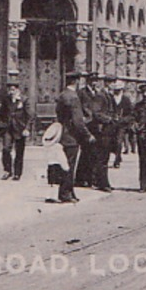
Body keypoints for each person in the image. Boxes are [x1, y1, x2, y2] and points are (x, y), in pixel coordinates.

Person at [54, 71, 92, 204]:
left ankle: (69, 191)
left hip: (63, 134)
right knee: (70, 165)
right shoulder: (74, 97)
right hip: (72, 136)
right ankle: (65, 193)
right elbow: (78, 121)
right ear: (76, 82)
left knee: (65, 163)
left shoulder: (62, 95)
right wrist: (87, 134)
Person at [0, 81, 31, 180]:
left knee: (19, 152)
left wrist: (27, 128)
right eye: (9, 90)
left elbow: (30, 116)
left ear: (18, 90)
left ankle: (17, 173)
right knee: (6, 149)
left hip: (20, 129)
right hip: (8, 128)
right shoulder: (6, 100)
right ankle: (7, 170)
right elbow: (1, 113)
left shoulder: (24, 100)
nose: (11, 92)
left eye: (13, 89)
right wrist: (1, 125)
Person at [110, 78, 132, 170]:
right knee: (112, 142)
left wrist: (124, 120)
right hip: (111, 123)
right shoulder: (110, 98)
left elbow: (130, 113)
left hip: (122, 124)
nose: (117, 91)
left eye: (118, 90)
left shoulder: (126, 99)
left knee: (119, 141)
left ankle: (117, 160)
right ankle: (117, 155)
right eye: (115, 90)